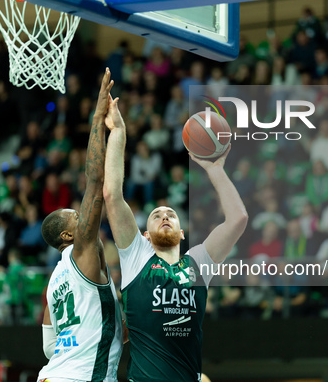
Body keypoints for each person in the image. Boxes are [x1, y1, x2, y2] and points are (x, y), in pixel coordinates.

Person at [102, 88, 248, 381]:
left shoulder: (197, 264)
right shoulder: (136, 257)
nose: (165, 216)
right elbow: (112, 195)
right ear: (145, 235)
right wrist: (118, 132)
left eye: (171, 215)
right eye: (157, 215)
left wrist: (215, 169)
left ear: (182, 234)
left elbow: (237, 219)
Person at [37, 69, 123, 382]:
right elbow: (95, 180)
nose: (82, 215)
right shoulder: (82, 249)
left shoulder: (54, 282)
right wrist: (98, 118)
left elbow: (50, 347)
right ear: (68, 235)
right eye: (76, 216)